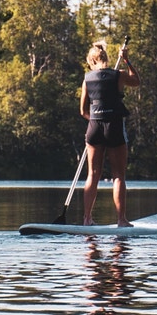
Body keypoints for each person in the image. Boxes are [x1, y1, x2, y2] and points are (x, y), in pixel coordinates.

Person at [60, 39, 140, 226]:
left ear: (92, 61)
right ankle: (121, 220)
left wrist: (96, 120)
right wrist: (127, 60)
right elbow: (136, 81)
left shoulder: (87, 79)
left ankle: (87, 219)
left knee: (93, 175)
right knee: (118, 175)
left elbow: (83, 111)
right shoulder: (119, 75)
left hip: (94, 127)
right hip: (114, 126)